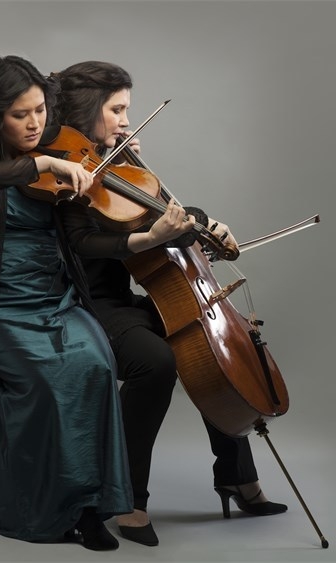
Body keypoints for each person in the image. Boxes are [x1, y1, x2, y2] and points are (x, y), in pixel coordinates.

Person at [51, 60, 287, 546]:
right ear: (87, 110)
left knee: (212, 350)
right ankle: (128, 498)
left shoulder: (116, 163)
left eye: (127, 110)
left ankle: (237, 477)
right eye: (117, 110)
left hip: (120, 299)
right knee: (156, 361)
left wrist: (201, 222)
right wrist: (169, 226)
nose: (125, 121)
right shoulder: (64, 172)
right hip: (83, 304)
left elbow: (164, 220)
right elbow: (90, 242)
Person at [0, 55, 132, 551]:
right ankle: (44, 510)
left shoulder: (59, 151)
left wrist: (115, 157)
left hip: (56, 295)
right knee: (44, 379)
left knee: (96, 363)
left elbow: (88, 225)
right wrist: (39, 164)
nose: (35, 123)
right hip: (0, 304)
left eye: (40, 110)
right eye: (20, 114)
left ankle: (92, 507)